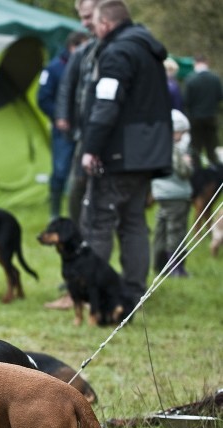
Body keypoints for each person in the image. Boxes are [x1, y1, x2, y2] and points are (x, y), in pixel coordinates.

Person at [80, 0, 173, 304]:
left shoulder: (117, 52)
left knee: (100, 221)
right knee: (134, 223)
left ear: (105, 24)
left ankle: (100, 296)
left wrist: (91, 147)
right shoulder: (148, 48)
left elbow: (106, 105)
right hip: (148, 153)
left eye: (94, 23)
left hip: (120, 153)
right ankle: (134, 292)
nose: (92, 28)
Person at [46, 0, 101, 310]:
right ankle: (76, 280)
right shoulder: (78, 56)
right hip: (81, 139)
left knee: (95, 214)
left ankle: (92, 286)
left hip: (98, 143)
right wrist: (63, 116)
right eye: (81, 17)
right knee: (73, 198)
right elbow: (65, 90)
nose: (86, 22)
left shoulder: (113, 49)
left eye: (89, 16)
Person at [37, 31, 88, 220]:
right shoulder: (54, 68)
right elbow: (43, 99)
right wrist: (59, 117)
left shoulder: (87, 68)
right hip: (63, 130)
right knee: (60, 171)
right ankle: (55, 213)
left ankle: (80, 213)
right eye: (83, 46)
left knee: (82, 172)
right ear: (72, 46)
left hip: (83, 128)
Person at [151, 109, 193, 277]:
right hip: (176, 196)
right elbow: (183, 172)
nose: (182, 137)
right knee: (176, 232)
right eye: (180, 133)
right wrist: (187, 163)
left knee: (161, 230)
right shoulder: (173, 149)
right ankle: (176, 268)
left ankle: (159, 264)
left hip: (161, 193)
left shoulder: (156, 144)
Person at [183, 54, 223, 167]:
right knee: (211, 147)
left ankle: (197, 174)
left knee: (196, 147)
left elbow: (186, 100)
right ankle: (216, 172)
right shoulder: (215, 78)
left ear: (195, 63)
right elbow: (220, 96)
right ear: (206, 62)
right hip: (211, 116)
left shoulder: (190, 79)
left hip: (195, 118)